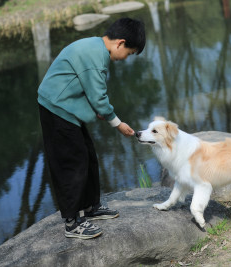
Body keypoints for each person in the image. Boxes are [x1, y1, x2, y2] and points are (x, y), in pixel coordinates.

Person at [37, 18, 145, 239]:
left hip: (67, 107)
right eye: (129, 52)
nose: (125, 58)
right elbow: (99, 97)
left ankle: (90, 207)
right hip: (57, 109)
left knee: (88, 156)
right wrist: (117, 123)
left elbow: (84, 86)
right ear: (120, 43)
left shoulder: (95, 47)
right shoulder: (95, 56)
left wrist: (95, 107)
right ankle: (72, 223)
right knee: (72, 163)